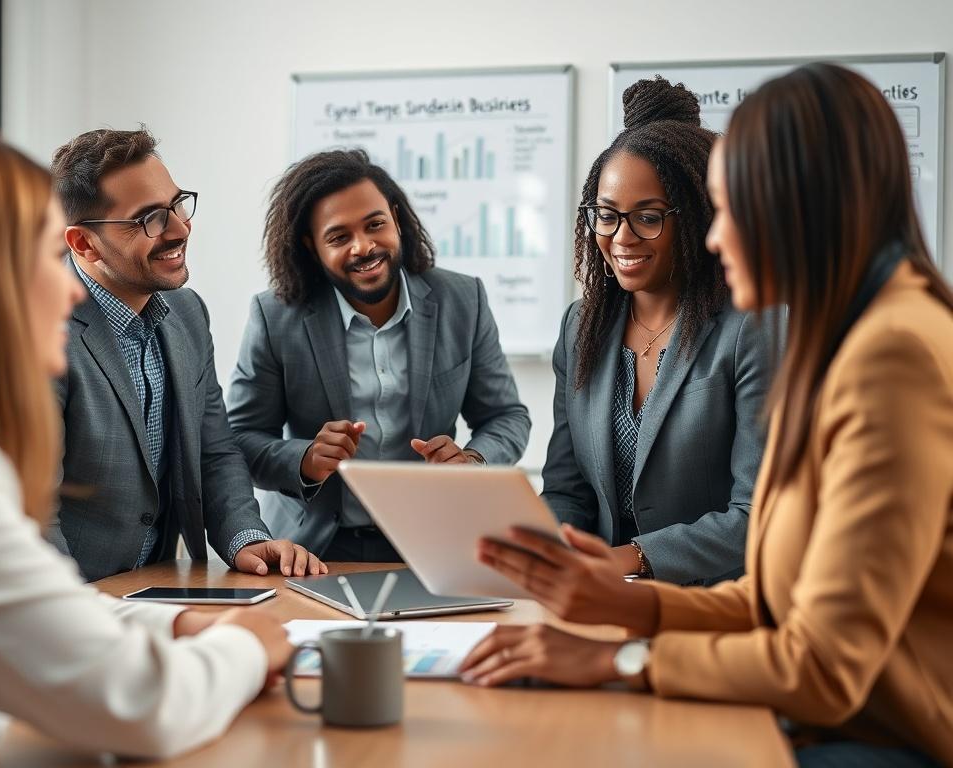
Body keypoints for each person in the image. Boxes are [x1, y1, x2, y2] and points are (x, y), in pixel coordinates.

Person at [460, 64, 953, 768]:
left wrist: (624, 660)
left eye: (730, 212)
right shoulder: (856, 336)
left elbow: (821, 667)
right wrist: (624, 606)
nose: (717, 241)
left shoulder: (890, 354)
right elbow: (779, 596)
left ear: (800, 208)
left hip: (875, 737)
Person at [0, 129, 295, 765]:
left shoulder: (186, 314)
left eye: (177, 204)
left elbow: (28, 612)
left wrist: (175, 621)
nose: (69, 290)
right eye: (45, 256)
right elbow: (144, 705)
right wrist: (247, 645)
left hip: (116, 606)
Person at [227, 149, 531, 562]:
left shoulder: (463, 300)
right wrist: (306, 460)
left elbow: (507, 417)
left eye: (375, 225)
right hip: (312, 549)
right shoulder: (275, 317)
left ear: (396, 218)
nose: (364, 247)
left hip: (433, 546)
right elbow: (239, 440)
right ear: (311, 246)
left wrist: (472, 460)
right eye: (339, 237)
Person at [49, 128, 326, 581]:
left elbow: (214, 452)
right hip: (75, 604)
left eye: (178, 204)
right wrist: (74, 615)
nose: (180, 228)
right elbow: (31, 509)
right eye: (150, 219)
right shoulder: (37, 333)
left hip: (157, 584)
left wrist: (246, 539)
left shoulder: (187, 312)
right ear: (83, 243)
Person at [541, 77, 773, 585]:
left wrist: (630, 558)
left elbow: (758, 514)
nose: (621, 238)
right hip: (601, 603)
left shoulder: (753, 326)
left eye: (647, 218)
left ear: (696, 218)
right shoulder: (582, 327)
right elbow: (567, 491)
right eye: (605, 216)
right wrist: (551, 546)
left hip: (720, 609)